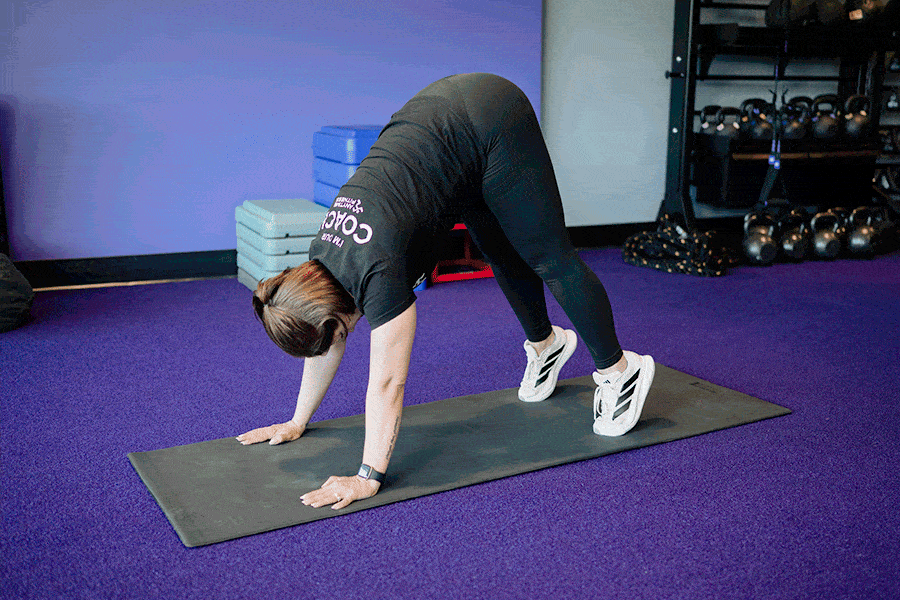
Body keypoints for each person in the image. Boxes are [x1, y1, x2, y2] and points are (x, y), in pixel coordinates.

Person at [237, 73, 655, 510]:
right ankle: (546, 345)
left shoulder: (378, 274)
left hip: (491, 117)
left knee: (549, 257)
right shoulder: (322, 258)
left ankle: (620, 372)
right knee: (502, 255)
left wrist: (368, 476)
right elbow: (324, 342)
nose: (341, 342)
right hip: (445, 133)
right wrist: (297, 420)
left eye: (340, 335)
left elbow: (388, 382)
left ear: (335, 317)